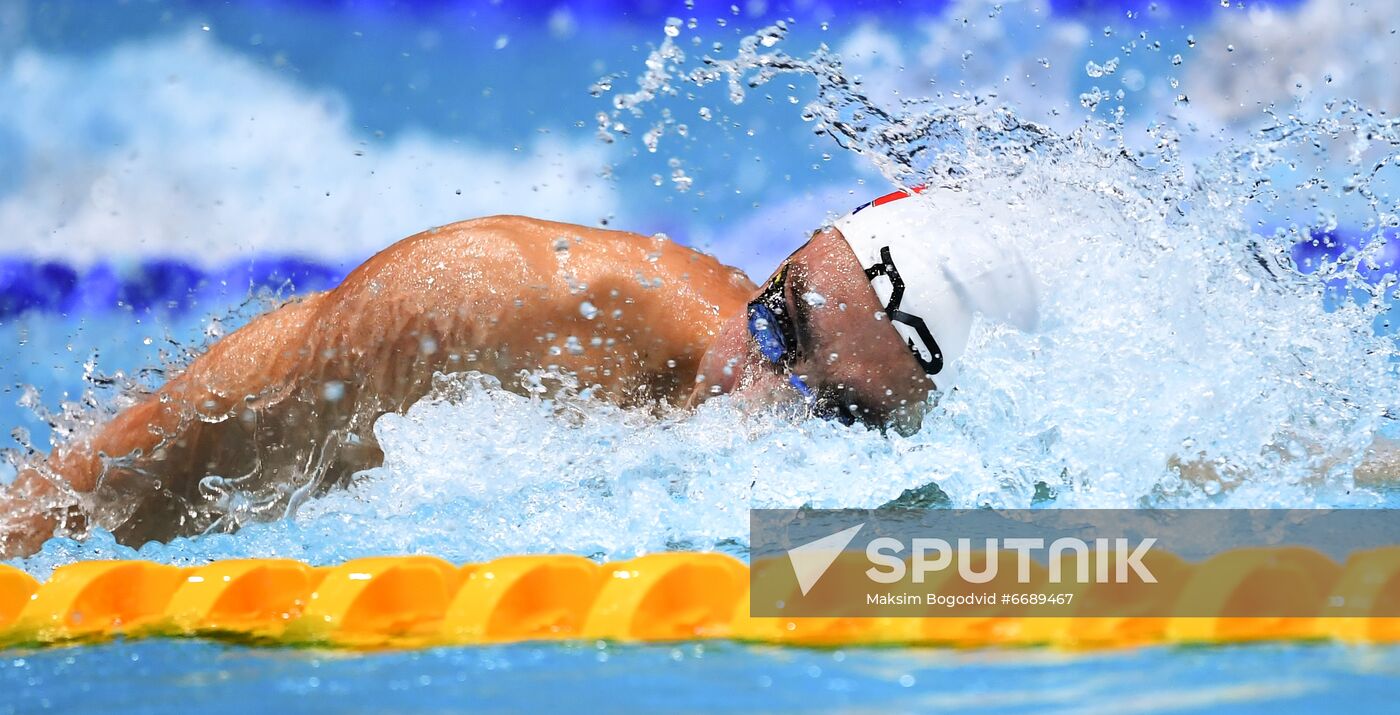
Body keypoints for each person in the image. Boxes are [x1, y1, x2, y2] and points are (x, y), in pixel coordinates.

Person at [0, 185, 1038, 557]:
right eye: (777, 326)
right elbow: (89, 495)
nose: (753, 398)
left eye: (841, 412)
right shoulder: (499, 302)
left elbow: (1115, 563)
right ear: (781, 263)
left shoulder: (933, 497)